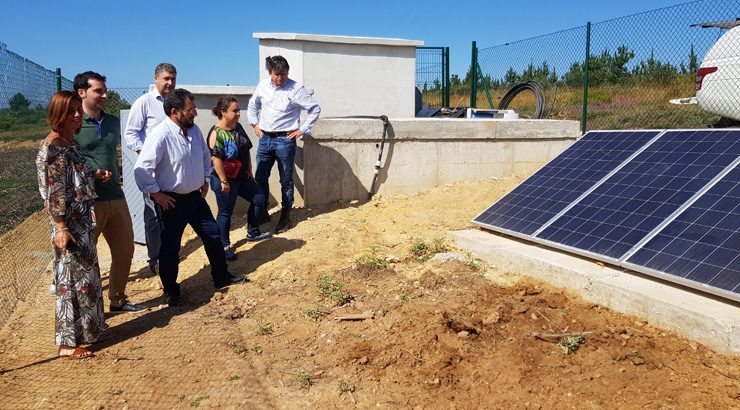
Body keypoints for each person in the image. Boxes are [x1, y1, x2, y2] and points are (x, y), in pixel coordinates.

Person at [134, 89, 244, 307]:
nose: (194, 113)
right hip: (171, 202)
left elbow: (205, 156)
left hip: (195, 199)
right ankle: (171, 290)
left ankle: (221, 276)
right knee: (170, 248)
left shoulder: (193, 131)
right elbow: (141, 169)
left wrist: (204, 179)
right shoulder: (160, 134)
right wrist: (156, 194)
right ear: (175, 112)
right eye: (190, 109)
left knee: (213, 236)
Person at [35, 91, 112, 358]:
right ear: (58, 115)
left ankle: (89, 331)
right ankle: (67, 345)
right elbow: (55, 192)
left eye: (78, 110)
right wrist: (61, 228)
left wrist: (95, 175)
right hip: (69, 226)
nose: (77, 115)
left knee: (86, 280)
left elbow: (74, 178)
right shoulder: (55, 147)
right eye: (70, 111)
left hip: (82, 223)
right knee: (69, 281)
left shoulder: (71, 144)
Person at [73, 71, 145, 313]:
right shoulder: (72, 124)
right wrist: (90, 174)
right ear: (81, 92)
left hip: (116, 194)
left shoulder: (114, 123)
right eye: (98, 91)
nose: (104, 95)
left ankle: (118, 300)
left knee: (125, 251)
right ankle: (86, 310)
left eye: (105, 90)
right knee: (84, 258)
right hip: (87, 201)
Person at [247, 55, 321, 233]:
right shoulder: (263, 86)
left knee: (286, 180)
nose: (280, 78)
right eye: (276, 74)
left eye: (283, 74)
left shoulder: (295, 88)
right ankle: (262, 211)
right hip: (265, 139)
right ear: (270, 72)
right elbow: (252, 105)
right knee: (260, 177)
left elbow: (314, 109)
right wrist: (255, 124)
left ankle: (285, 216)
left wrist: (302, 129)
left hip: (285, 140)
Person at [123, 63, 177, 275]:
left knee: (172, 211)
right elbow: (131, 135)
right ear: (156, 79)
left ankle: (170, 252)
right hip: (152, 171)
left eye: (173, 78)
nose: (169, 83)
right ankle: (155, 258)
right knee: (154, 215)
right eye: (165, 78)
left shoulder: (177, 102)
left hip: (173, 170)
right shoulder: (144, 103)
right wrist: (146, 153)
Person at [208, 96, 271, 261]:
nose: (238, 113)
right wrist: (223, 180)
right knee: (225, 213)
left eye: (238, 110)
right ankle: (224, 246)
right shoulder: (217, 133)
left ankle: (253, 232)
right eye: (234, 111)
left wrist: (249, 169)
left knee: (259, 198)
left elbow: (245, 149)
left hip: (242, 177)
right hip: (224, 179)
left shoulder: (238, 127)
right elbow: (216, 160)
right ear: (223, 112)